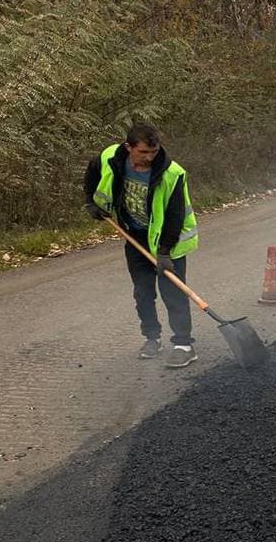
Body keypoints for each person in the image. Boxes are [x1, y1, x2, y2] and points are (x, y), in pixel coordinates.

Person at [84, 124, 200, 368]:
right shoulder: (111, 158)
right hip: (135, 235)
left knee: (173, 293)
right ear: (129, 148)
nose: (149, 157)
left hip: (168, 241)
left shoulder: (172, 173)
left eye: (153, 152)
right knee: (143, 292)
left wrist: (165, 252)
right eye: (143, 152)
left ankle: (183, 345)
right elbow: (92, 172)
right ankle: (152, 338)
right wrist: (91, 202)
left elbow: (175, 215)